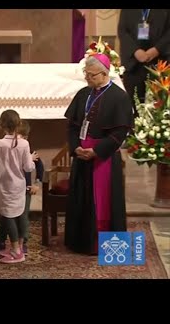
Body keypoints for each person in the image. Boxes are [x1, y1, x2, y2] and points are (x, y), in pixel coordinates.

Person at [64, 54, 134, 255]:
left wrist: (96, 151)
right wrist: (75, 146)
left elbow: (120, 132)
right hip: (81, 155)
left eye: (91, 75)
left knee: (103, 201)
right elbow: (72, 126)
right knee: (81, 200)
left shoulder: (119, 97)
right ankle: (81, 242)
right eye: (86, 74)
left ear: (104, 73)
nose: (87, 78)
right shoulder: (83, 94)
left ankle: (104, 244)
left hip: (103, 158)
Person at [0, 110, 35, 264]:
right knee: (18, 214)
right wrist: (31, 160)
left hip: (3, 185)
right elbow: (28, 167)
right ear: (18, 124)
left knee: (7, 216)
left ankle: (15, 251)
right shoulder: (24, 143)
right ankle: (20, 246)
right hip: (18, 186)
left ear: (1, 125)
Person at [118, 9, 170, 112]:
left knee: (159, 106)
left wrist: (157, 50)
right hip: (134, 64)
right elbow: (122, 31)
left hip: (160, 63)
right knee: (133, 105)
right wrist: (135, 51)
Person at [17, 119, 44, 255]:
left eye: (20, 135)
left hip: (25, 190)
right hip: (12, 189)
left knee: (23, 216)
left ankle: (24, 241)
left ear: (26, 138)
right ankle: (3, 241)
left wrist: (37, 184)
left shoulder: (31, 152)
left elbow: (40, 168)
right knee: (7, 217)